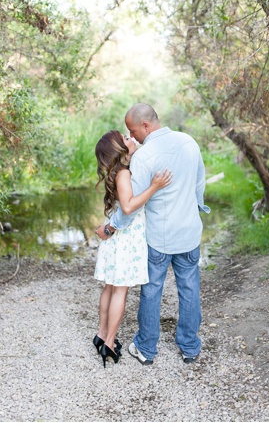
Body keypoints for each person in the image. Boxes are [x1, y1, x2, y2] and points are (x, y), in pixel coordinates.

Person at [96, 103, 210, 366]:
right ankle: (190, 347)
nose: (132, 136)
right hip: (189, 231)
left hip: (159, 236)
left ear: (145, 125)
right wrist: (195, 210)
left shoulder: (144, 157)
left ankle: (147, 348)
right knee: (190, 287)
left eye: (133, 131)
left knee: (151, 291)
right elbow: (199, 183)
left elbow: (130, 208)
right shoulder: (189, 142)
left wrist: (110, 227)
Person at [93, 130, 173, 368]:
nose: (133, 140)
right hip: (126, 239)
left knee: (110, 287)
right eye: (127, 139)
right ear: (120, 149)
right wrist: (154, 187)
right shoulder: (124, 173)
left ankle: (101, 333)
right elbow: (128, 208)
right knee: (120, 291)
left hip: (116, 239)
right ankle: (109, 342)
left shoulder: (116, 173)